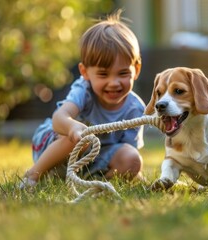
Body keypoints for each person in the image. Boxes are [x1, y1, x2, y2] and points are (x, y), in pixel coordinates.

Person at [20, 10, 145, 188]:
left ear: (137, 70)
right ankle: (33, 175)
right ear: (85, 72)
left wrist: (135, 170)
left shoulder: (135, 108)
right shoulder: (84, 90)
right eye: (103, 74)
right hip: (56, 144)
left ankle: (94, 182)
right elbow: (59, 118)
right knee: (83, 137)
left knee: (132, 158)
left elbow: (126, 150)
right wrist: (72, 127)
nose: (114, 83)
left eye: (123, 73)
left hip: (95, 158)